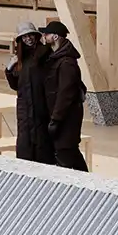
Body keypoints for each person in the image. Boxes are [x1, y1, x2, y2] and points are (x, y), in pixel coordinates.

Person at [38, 20, 89, 171]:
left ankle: (78, 181)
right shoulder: (55, 57)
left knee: (65, 151)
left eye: (46, 34)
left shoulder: (67, 63)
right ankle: (88, 180)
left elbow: (65, 94)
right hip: (61, 116)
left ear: (55, 37)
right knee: (70, 152)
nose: (44, 37)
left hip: (67, 117)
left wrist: (56, 119)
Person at [4, 21, 53, 165]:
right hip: (24, 107)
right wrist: (9, 69)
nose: (28, 39)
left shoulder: (45, 53)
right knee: (25, 143)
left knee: (42, 142)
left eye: (30, 35)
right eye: (24, 37)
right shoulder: (20, 58)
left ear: (36, 36)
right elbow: (15, 85)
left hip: (40, 104)